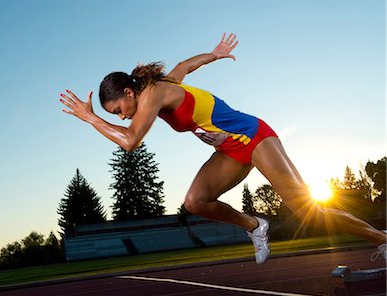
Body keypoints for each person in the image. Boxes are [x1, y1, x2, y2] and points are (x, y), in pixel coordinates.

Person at [60, 33, 386, 264]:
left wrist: (90, 119)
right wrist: (214, 54)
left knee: (307, 210)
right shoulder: (165, 86)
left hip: (254, 137)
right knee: (195, 201)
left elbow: (131, 141)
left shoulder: (153, 95)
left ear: (130, 93)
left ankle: (382, 240)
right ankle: (255, 226)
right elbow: (186, 65)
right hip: (229, 151)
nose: (123, 116)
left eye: (118, 110)